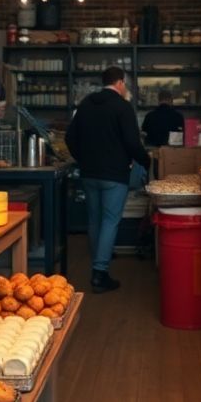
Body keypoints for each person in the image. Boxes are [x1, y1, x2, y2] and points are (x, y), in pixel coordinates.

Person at [65, 66, 150, 293]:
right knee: (110, 221)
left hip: (89, 173)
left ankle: (97, 262)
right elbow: (133, 143)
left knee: (94, 220)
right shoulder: (122, 107)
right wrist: (145, 160)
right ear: (120, 83)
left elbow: (70, 137)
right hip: (115, 175)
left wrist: (82, 158)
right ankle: (99, 273)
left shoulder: (86, 104)